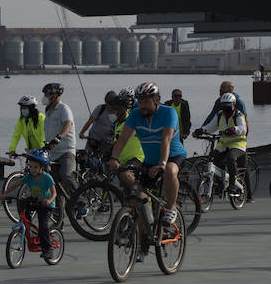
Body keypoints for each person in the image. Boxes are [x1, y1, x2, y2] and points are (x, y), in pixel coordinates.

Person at [108, 82, 186, 225]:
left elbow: (166, 140)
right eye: (140, 101)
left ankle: (171, 207)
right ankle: (144, 238)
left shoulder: (169, 113)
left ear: (156, 100)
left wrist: (162, 163)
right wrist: (114, 158)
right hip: (149, 161)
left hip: (172, 156)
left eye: (146, 101)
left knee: (170, 169)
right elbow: (123, 139)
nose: (142, 105)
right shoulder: (135, 114)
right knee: (138, 198)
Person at [2, 148, 55, 253]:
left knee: (43, 225)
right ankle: (28, 225)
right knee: (23, 204)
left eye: (35, 167)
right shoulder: (29, 177)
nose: (32, 169)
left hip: (46, 204)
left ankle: (48, 248)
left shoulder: (47, 178)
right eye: (30, 167)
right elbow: (16, 184)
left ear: (42, 167)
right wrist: (6, 193)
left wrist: (49, 200)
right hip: (35, 200)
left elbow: (54, 193)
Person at [197, 92, 247, 193]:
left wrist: (234, 129)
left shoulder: (238, 115)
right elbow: (211, 127)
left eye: (228, 106)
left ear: (233, 105)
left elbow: (243, 128)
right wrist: (201, 130)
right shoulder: (219, 115)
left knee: (230, 157)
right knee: (212, 157)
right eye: (223, 106)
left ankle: (233, 182)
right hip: (223, 145)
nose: (225, 109)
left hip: (238, 145)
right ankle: (220, 182)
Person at [40, 82, 75, 219]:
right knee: (54, 187)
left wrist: (58, 138)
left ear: (54, 95)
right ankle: (58, 220)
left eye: (47, 94)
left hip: (66, 150)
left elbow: (68, 124)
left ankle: (81, 198)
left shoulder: (63, 108)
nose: (44, 97)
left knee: (66, 175)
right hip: (52, 153)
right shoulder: (48, 111)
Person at [80, 91, 120, 159]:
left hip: (107, 143)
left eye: (110, 105)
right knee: (86, 158)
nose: (108, 107)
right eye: (107, 104)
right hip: (93, 139)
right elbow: (90, 121)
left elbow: (120, 127)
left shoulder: (119, 113)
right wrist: (82, 132)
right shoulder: (100, 108)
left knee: (105, 162)